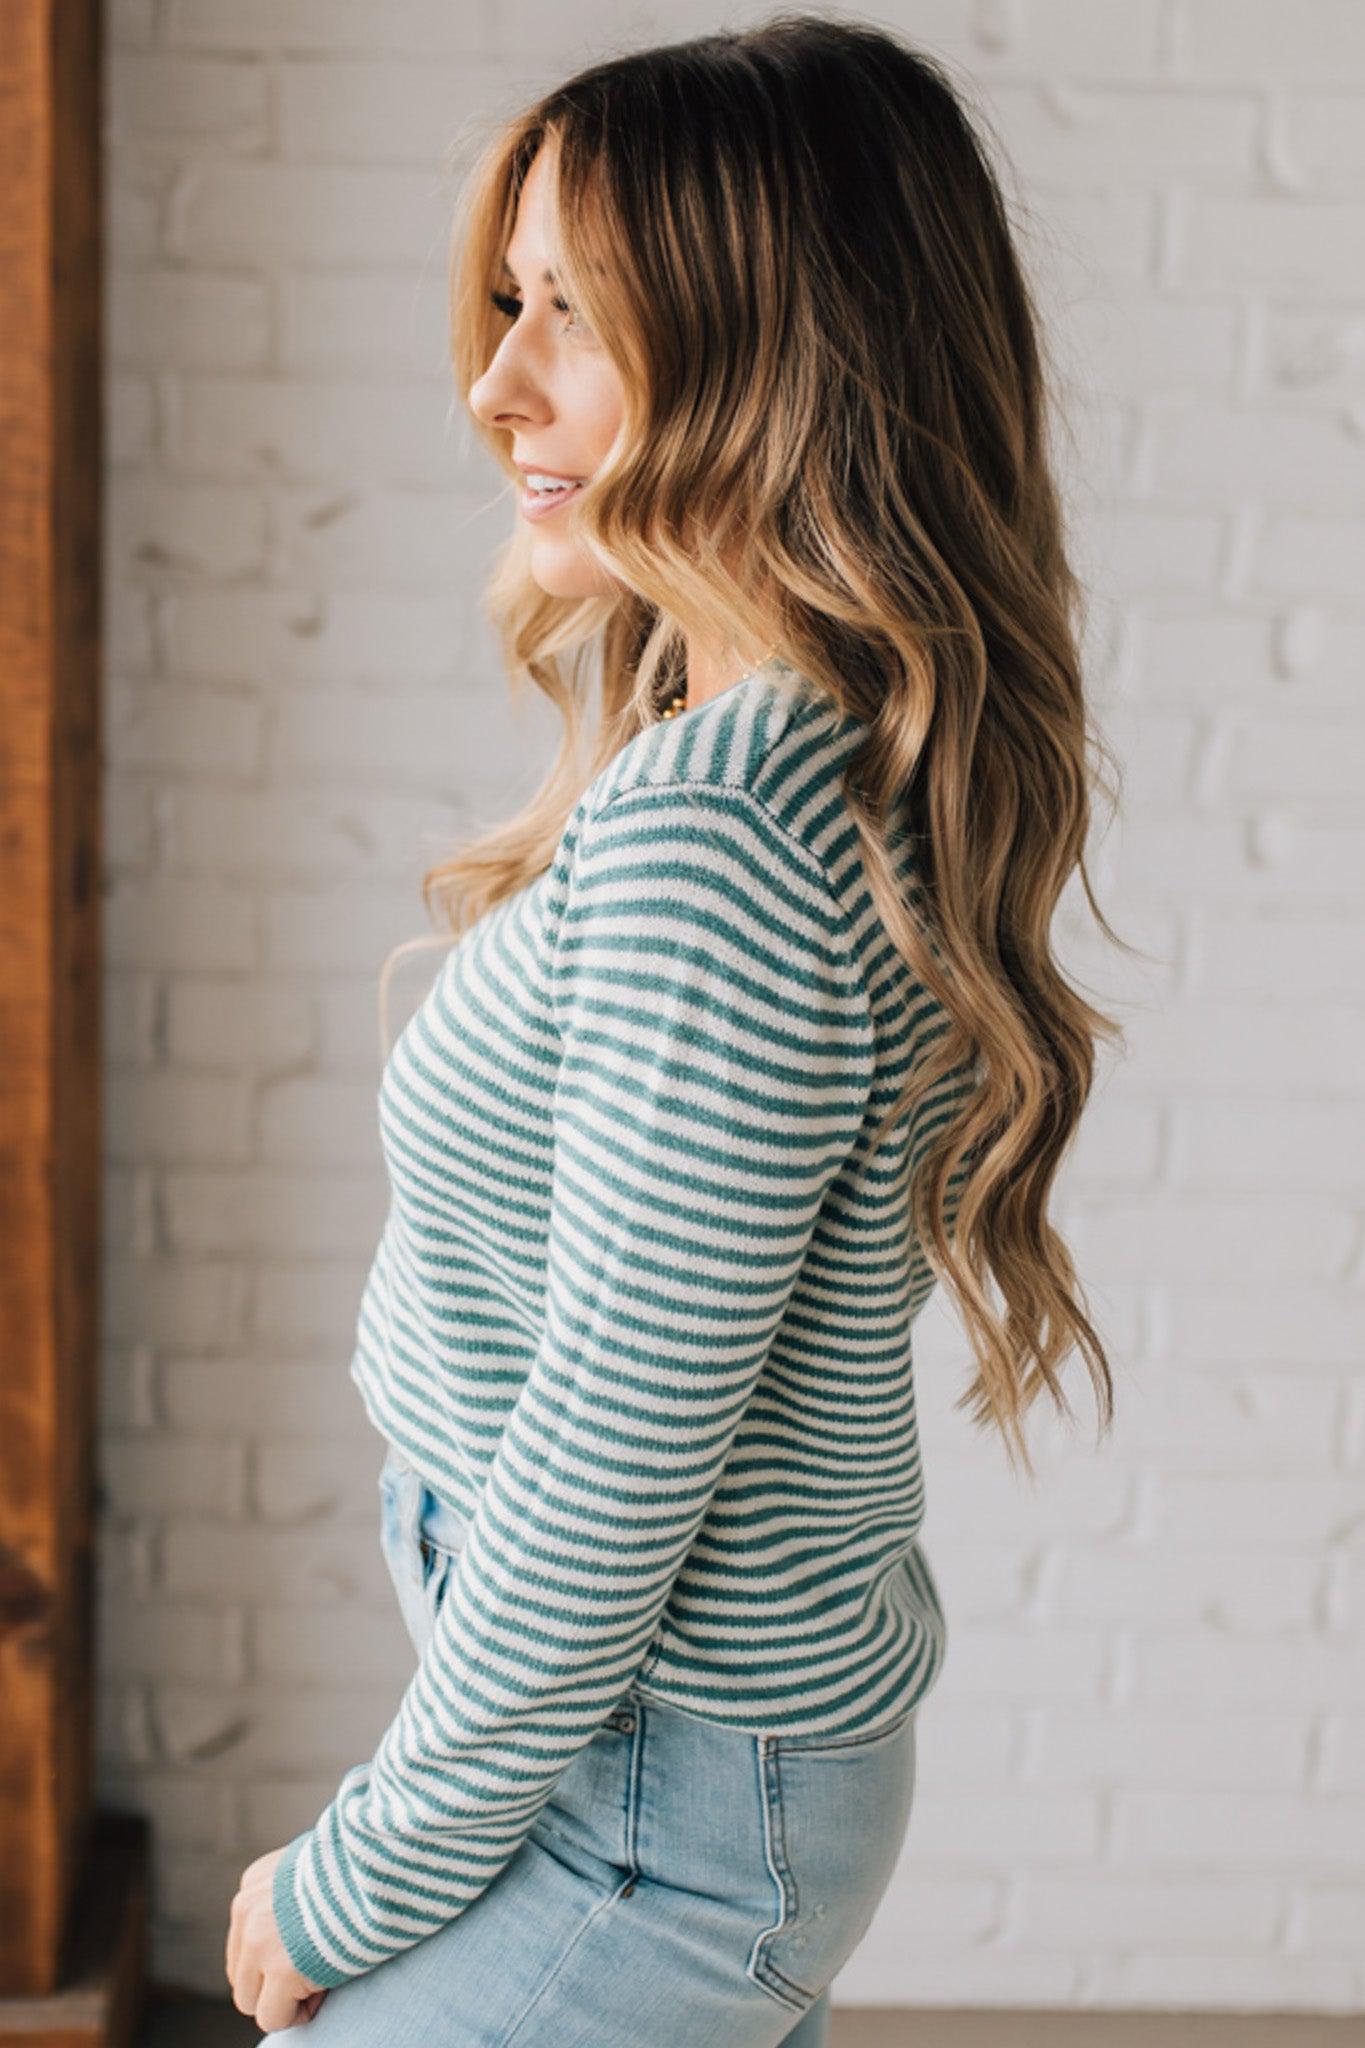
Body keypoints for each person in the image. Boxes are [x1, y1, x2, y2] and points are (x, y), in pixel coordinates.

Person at [226, 13, 1127, 2041]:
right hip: (654, 1755)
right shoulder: (785, 748)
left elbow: (608, 1468)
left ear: (780, 364)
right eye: (510, 299)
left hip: (650, 1796)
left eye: (577, 312)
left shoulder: (718, 833)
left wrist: (352, 1876)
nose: (496, 382)